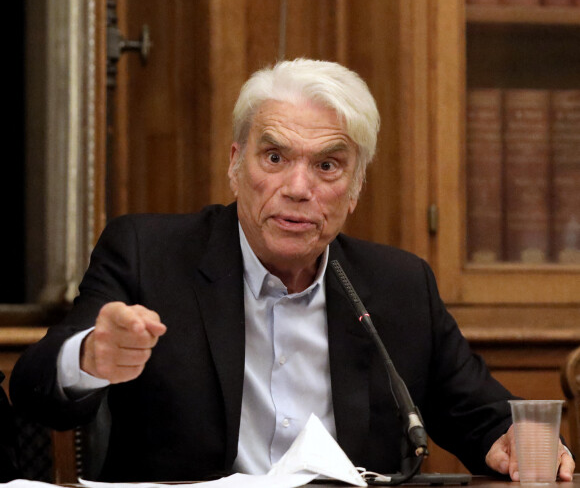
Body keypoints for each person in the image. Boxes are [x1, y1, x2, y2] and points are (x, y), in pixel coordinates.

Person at [10, 59, 574, 482]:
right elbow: (35, 390)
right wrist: (89, 357)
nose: (298, 189)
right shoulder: (149, 254)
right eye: (275, 158)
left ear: (354, 189)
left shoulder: (398, 285)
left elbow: (482, 414)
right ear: (236, 164)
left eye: (327, 165)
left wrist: (511, 441)